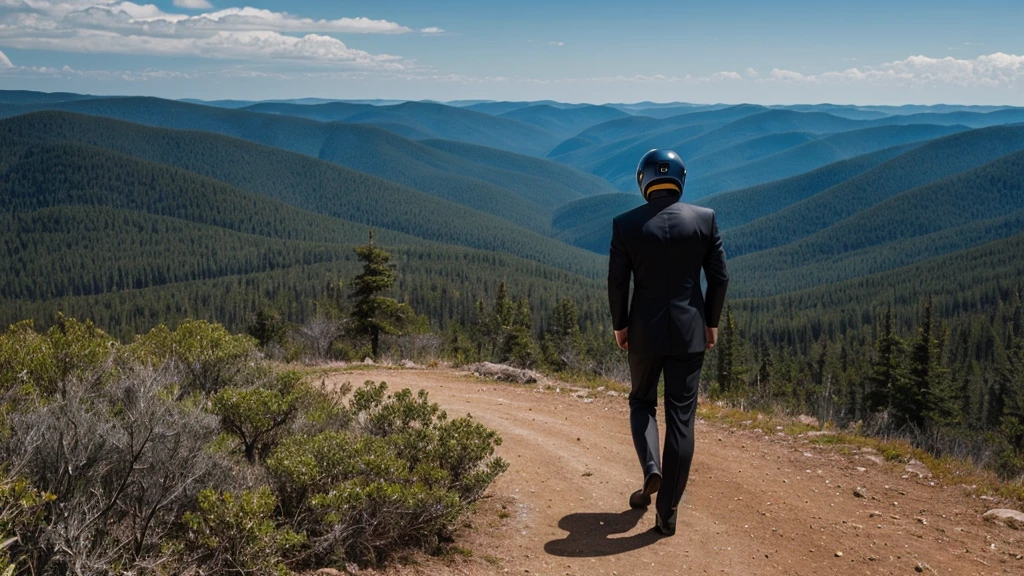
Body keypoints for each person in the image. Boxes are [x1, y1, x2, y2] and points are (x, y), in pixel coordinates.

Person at [607, 148, 729, 536]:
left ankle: (651, 469)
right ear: (680, 179)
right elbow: (720, 279)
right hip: (690, 333)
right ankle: (668, 512)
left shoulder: (625, 224)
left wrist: (620, 326)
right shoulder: (705, 220)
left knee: (642, 401)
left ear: (643, 180)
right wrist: (710, 323)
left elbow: (616, 281)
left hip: (643, 332)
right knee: (681, 421)